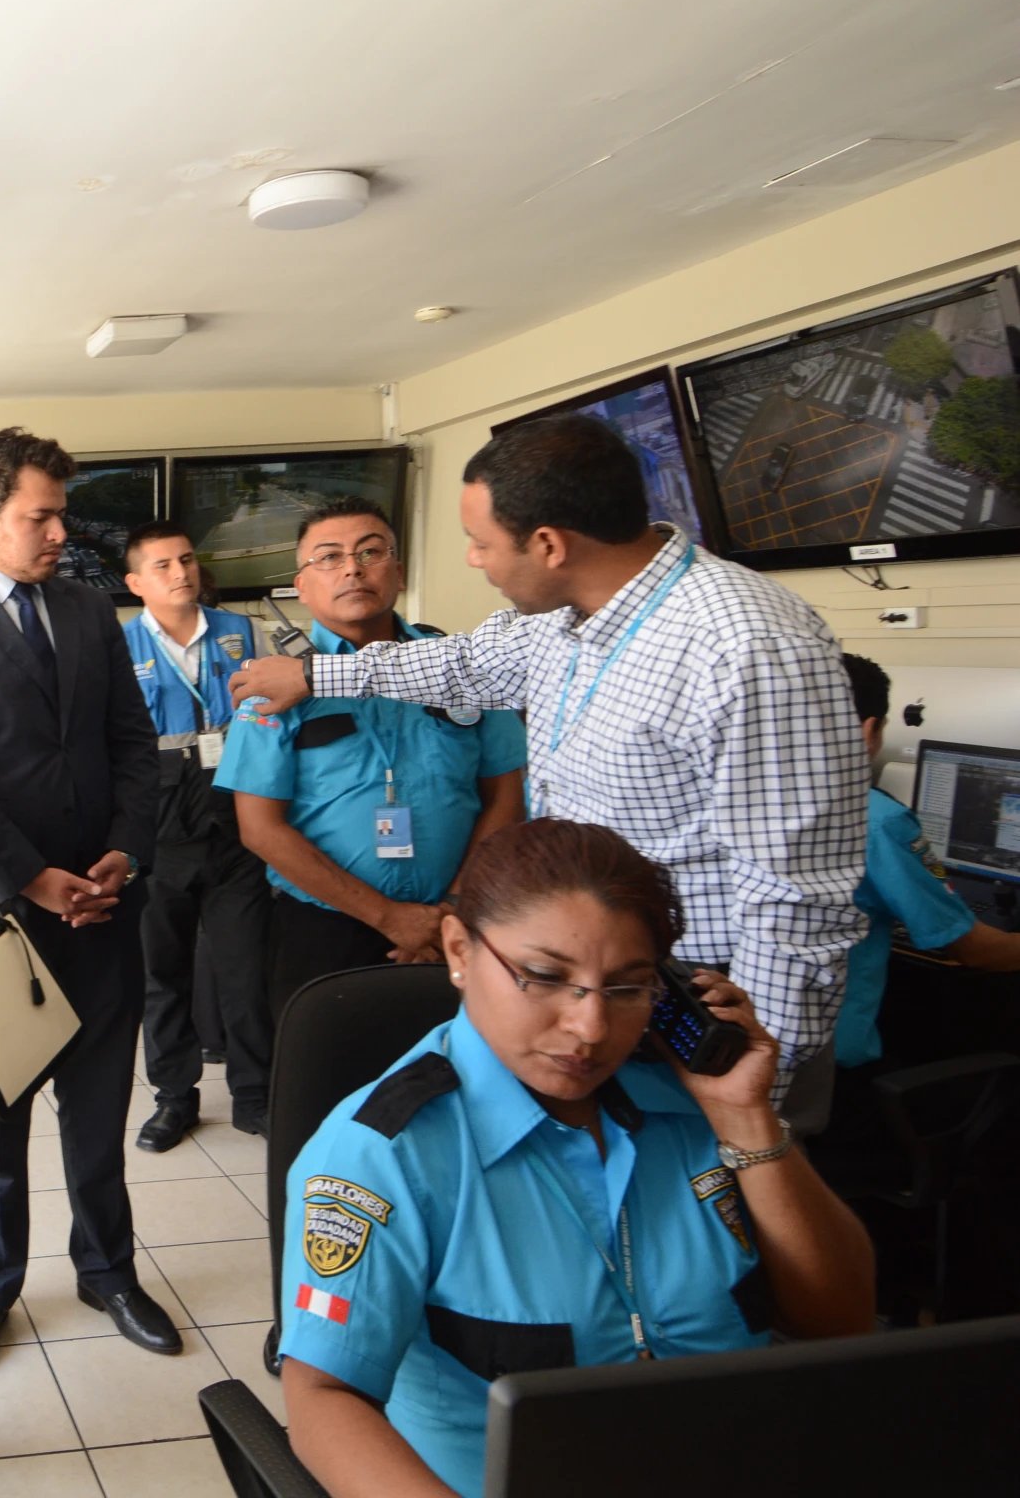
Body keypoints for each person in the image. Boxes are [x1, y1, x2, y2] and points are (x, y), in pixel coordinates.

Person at [227, 415, 868, 1134]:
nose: (474, 561)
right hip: (586, 996)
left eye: (480, 543)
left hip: (697, 1016)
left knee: (718, 1234)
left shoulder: (746, 648)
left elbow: (796, 903)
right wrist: (315, 674)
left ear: (549, 545)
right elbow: (462, 664)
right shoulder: (563, 621)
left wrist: (751, 1089)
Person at [280, 819, 875, 1498]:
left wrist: (747, 1118)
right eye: (543, 977)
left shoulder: (696, 1107)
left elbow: (841, 1319)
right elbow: (324, 1397)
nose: (590, 1028)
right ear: (458, 950)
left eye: (627, 988)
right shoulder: (387, 1153)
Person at [0, 426, 175, 1378]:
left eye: (63, 514)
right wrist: (34, 880)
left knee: (98, 1112)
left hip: (105, 905)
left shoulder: (93, 612)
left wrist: (123, 853)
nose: (60, 532)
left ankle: (108, 1270)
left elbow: (135, 744)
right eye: (40, 516)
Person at [216, 497, 525, 1024]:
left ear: (398, 573)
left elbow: (505, 796)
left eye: (370, 552)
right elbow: (260, 829)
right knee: (329, 1089)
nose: (352, 568)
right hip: (325, 929)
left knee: (459, 1087)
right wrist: (390, 918)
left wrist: (451, 906)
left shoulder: (458, 667)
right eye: (329, 558)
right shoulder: (276, 684)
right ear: (303, 585)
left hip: (460, 921)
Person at [119, 519, 274, 1144]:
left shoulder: (243, 633)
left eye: (186, 560)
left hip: (236, 815)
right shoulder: (119, 649)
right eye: (163, 565)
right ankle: (174, 1096)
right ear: (136, 582)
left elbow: (270, 719)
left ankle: (255, 1094)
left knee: (245, 966)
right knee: (164, 971)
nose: (181, 573)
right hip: (158, 825)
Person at [832, 654, 1020, 1075]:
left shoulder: (734, 801)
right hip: (828, 1065)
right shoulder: (878, 820)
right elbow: (976, 951)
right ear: (869, 730)